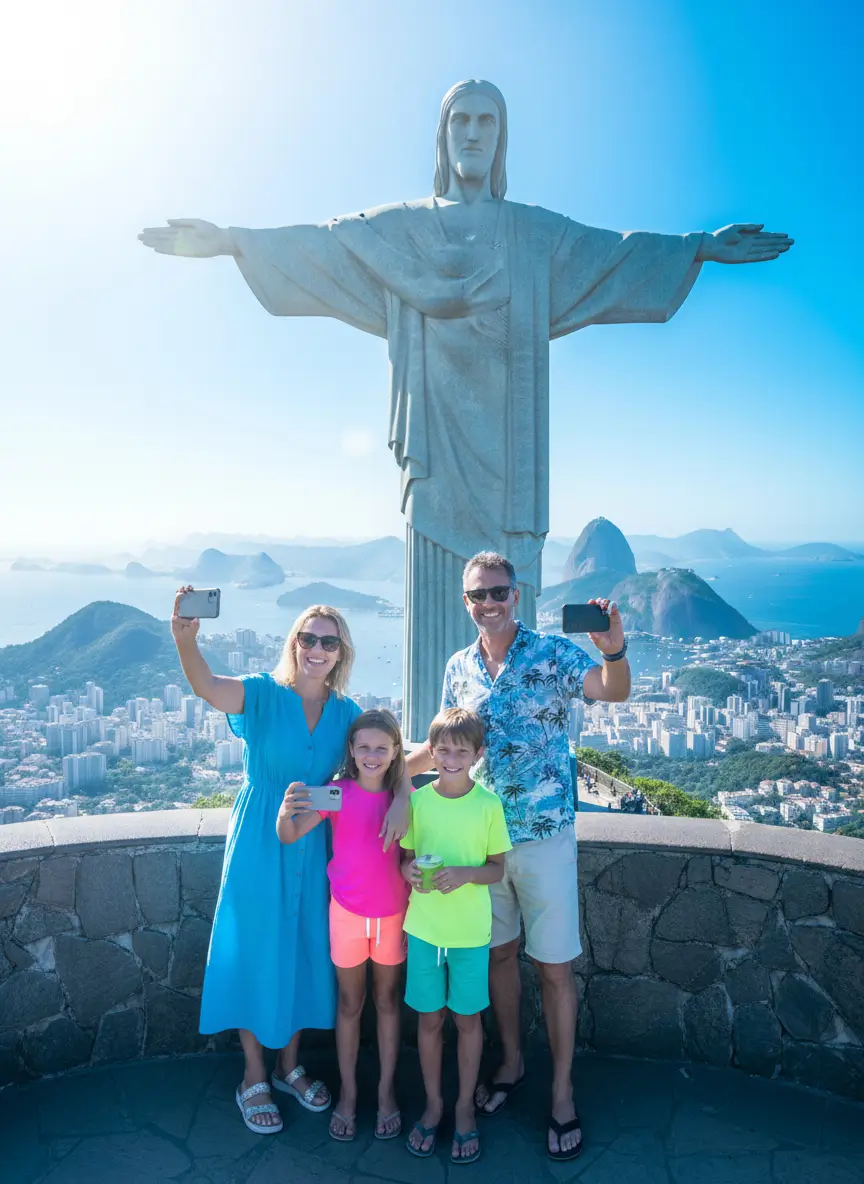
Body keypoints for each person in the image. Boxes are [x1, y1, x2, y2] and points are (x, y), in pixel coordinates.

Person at [405, 553, 631, 1162]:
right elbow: (446, 747)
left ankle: (561, 1091)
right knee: (499, 955)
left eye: (499, 592)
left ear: (517, 594)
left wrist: (613, 650)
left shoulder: (553, 654)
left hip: (546, 835)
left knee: (553, 967)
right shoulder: (459, 668)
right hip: (481, 842)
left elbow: (612, 691)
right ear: (466, 602)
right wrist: (377, 784)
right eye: (478, 595)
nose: (489, 603)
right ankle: (510, 1064)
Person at [170, 589, 410, 1134]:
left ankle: (288, 1066)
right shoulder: (262, 694)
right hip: (261, 837)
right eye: (309, 637)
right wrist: (185, 642)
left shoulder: (348, 714)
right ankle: (254, 1073)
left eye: (329, 641)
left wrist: (404, 795)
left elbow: (391, 754)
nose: (317, 648)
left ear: (341, 652)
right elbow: (208, 688)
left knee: (303, 951)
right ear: (294, 642)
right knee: (259, 948)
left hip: (317, 845)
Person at [276, 709, 409, 1143]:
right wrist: (284, 811)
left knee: (387, 1003)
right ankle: (350, 1095)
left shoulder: (403, 799)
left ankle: (386, 1093)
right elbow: (290, 834)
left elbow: (411, 855)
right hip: (346, 915)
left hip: (392, 916)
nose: (372, 755)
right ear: (351, 749)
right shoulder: (334, 793)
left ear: (394, 753)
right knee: (350, 1005)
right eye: (364, 746)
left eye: (381, 748)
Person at [400, 707, 511, 1166]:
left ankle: (464, 1105)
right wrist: (408, 871)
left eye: (460, 751)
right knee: (428, 1022)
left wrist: (464, 873)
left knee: (468, 1022)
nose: (449, 759)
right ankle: (434, 1104)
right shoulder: (417, 801)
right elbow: (404, 859)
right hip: (424, 929)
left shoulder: (488, 805)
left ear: (477, 754)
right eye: (441, 750)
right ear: (430, 753)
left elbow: (496, 868)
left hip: (468, 934)